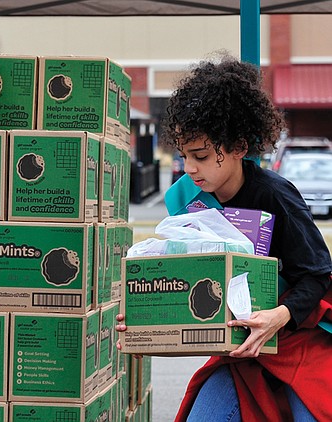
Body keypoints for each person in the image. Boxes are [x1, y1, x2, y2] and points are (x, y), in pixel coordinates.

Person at [117, 54, 332, 421]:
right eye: (184, 156)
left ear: (238, 147)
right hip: (236, 348)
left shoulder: (277, 196)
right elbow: (187, 290)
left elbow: (317, 275)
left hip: (296, 342)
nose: (190, 169)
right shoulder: (185, 201)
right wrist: (147, 327)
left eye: (200, 155)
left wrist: (277, 317)